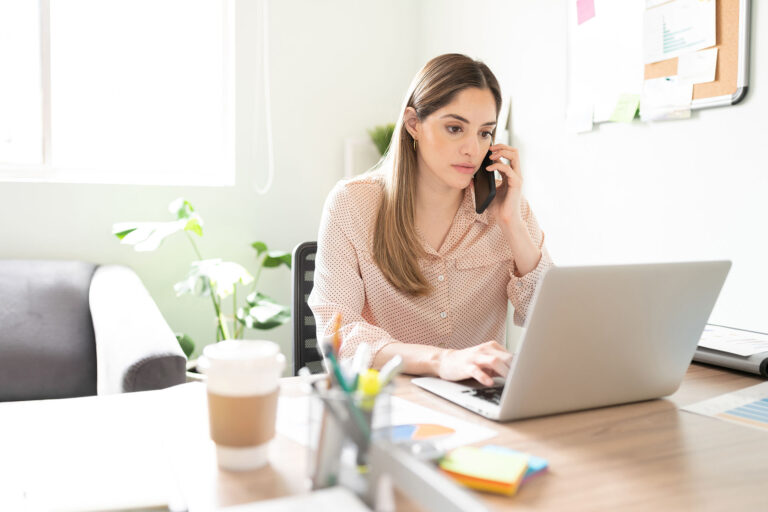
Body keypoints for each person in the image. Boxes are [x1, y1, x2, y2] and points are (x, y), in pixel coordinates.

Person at [308, 53, 553, 386]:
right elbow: (339, 336)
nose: (472, 148)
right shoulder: (352, 205)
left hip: (478, 402)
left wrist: (513, 224)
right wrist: (442, 361)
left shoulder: (508, 208)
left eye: (485, 133)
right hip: (389, 400)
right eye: (455, 128)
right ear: (413, 124)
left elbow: (552, 322)